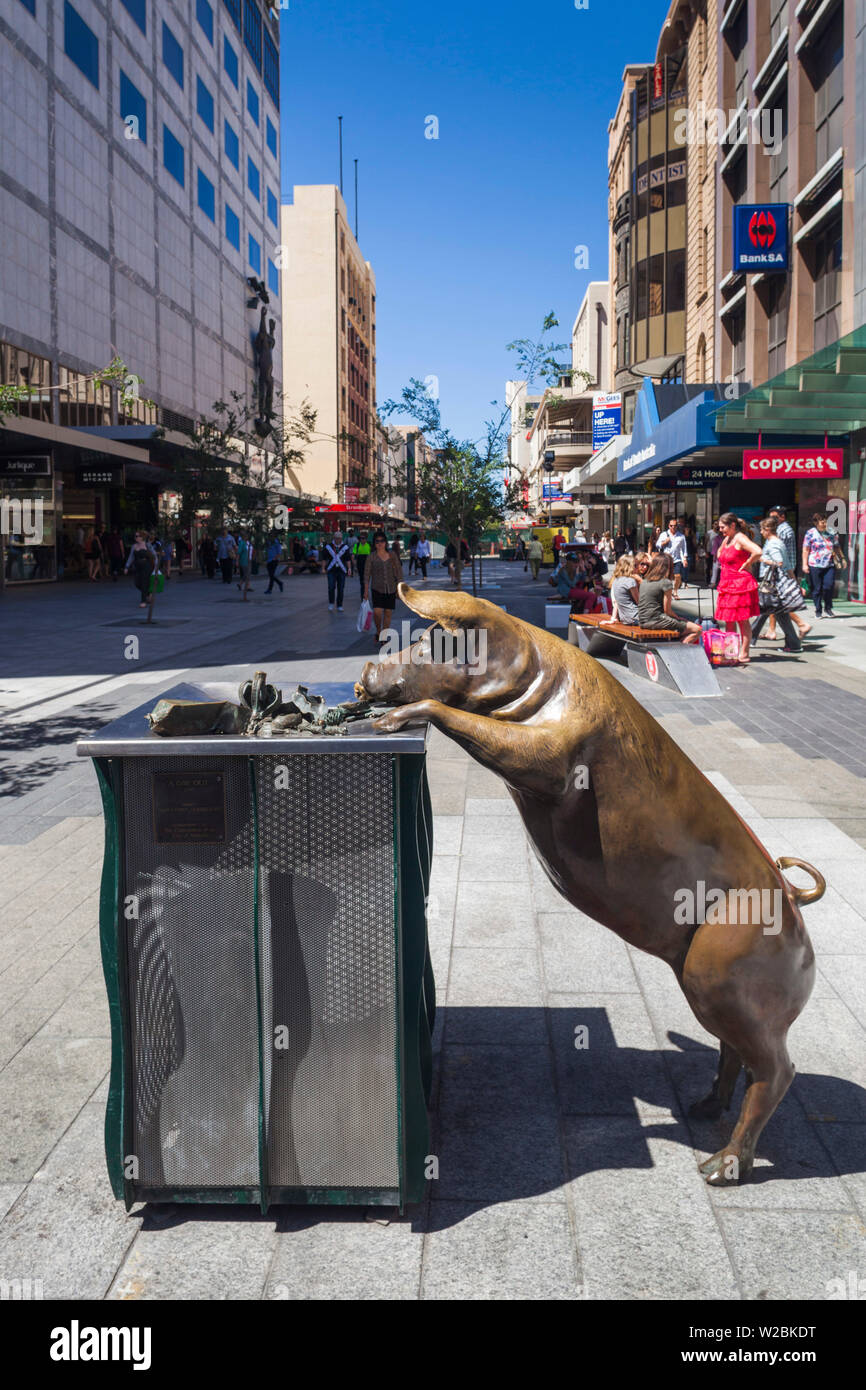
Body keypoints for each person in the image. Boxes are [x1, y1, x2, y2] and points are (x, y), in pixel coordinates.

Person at [750, 517, 803, 653]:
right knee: (776, 612)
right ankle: (794, 643)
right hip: (778, 583)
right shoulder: (778, 542)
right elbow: (787, 565)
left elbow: (779, 562)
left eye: (762, 529)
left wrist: (761, 558)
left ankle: (750, 638)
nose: (761, 532)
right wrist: (793, 579)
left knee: (766, 608)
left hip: (773, 583)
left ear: (767, 530)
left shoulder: (773, 544)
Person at [715, 512, 762, 664]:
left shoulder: (740, 538)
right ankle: (731, 652)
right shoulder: (727, 538)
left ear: (732, 525)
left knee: (742, 620)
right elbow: (719, 554)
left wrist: (748, 563)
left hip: (740, 584)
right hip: (728, 583)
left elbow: (758, 551)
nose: (721, 530)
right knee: (729, 620)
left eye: (723, 527)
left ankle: (744, 652)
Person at [636, 553, 702, 643]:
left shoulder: (645, 581)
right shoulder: (665, 582)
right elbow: (668, 611)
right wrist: (679, 618)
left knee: (681, 627)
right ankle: (680, 651)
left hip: (643, 620)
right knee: (697, 629)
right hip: (657, 619)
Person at [363, 528, 402, 639]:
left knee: (388, 613)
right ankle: (379, 631)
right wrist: (365, 592)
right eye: (377, 541)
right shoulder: (371, 557)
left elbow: (398, 572)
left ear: (385, 542)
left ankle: (383, 636)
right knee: (377, 612)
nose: (380, 543)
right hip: (377, 588)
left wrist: (400, 588)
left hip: (391, 588)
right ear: (374, 543)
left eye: (382, 541)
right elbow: (366, 575)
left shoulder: (392, 555)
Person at [801, 510, 841, 618]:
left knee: (828, 586)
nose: (824, 524)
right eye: (822, 522)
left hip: (829, 564)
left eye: (825, 522)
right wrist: (804, 564)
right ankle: (818, 610)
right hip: (814, 564)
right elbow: (805, 549)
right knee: (817, 588)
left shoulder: (832, 532)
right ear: (816, 523)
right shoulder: (810, 533)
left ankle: (828, 608)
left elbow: (837, 546)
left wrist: (842, 558)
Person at [603, 554, 641, 626]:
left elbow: (617, 603)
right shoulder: (630, 581)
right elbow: (640, 602)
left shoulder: (616, 580)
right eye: (635, 565)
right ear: (630, 566)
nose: (637, 568)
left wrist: (613, 618)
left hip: (625, 619)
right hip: (636, 617)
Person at [657, 516, 689, 595]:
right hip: (666, 559)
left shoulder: (681, 536)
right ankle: (667, 591)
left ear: (677, 526)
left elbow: (684, 548)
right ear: (669, 526)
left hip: (677, 559)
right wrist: (664, 542)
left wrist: (684, 559)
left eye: (675, 526)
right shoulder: (664, 534)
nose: (673, 527)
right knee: (667, 577)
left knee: (677, 576)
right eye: (671, 526)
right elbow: (657, 545)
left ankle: (675, 591)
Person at [124, 530, 156, 608]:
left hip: (147, 566)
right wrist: (127, 567)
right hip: (137, 566)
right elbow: (131, 557)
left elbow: (154, 555)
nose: (136, 538)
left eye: (137, 536)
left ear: (142, 537)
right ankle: (148, 593)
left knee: (144, 582)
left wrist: (156, 567)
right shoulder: (134, 546)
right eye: (135, 536)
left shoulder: (147, 545)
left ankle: (143, 601)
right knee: (137, 583)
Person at [322, 529, 352, 611]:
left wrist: (349, 568)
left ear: (341, 538)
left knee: (341, 588)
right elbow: (324, 558)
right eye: (336, 538)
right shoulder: (329, 547)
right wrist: (323, 568)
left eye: (339, 538)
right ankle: (331, 603)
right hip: (331, 570)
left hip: (341, 571)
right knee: (331, 587)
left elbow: (348, 559)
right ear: (334, 538)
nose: (338, 539)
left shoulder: (345, 547)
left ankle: (339, 605)